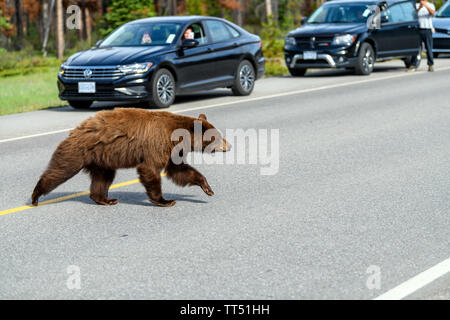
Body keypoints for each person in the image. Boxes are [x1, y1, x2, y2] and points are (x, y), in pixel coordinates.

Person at [410, 0, 435, 72]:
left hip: (427, 29)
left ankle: (430, 65)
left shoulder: (430, 5)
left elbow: (432, 12)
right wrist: (420, 7)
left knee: (429, 48)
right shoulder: (417, 5)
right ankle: (413, 65)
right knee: (416, 48)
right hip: (418, 29)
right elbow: (413, 15)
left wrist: (426, 5)